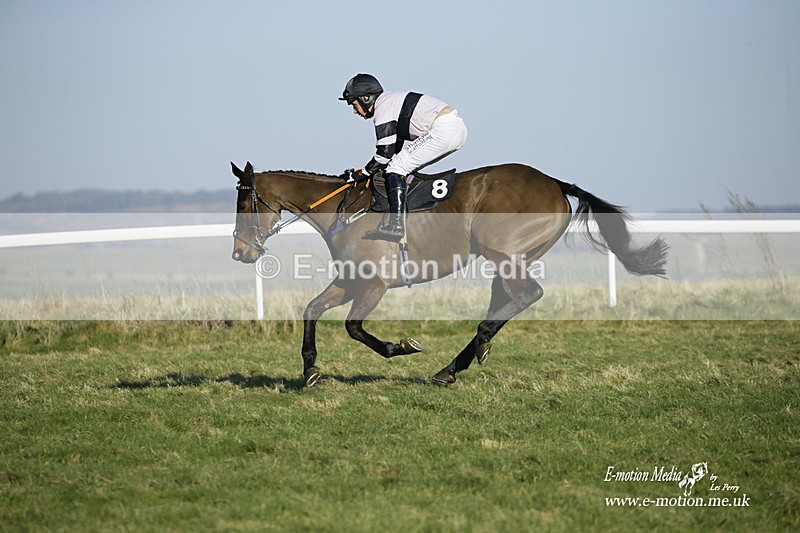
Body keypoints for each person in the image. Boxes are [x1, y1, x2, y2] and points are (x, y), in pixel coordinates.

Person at [339, 73, 468, 240]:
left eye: (354, 104)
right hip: (454, 129)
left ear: (366, 98)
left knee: (396, 167)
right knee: (399, 167)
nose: (355, 111)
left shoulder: (382, 108)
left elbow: (384, 153)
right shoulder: (389, 103)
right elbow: (392, 151)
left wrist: (362, 173)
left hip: (444, 129)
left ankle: (396, 224)